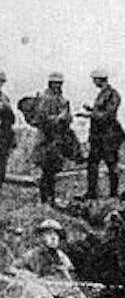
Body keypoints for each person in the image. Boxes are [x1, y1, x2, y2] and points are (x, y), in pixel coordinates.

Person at [31, 72, 81, 205]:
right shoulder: (44, 98)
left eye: (60, 84)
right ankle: (45, 199)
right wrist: (58, 118)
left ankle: (50, 198)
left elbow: (69, 117)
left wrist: (66, 117)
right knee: (46, 170)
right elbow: (41, 119)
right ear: (50, 84)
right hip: (46, 139)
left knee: (52, 171)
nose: (58, 86)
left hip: (57, 139)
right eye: (55, 83)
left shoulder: (62, 99)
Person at [77, 68, 125, 200]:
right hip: (98, 136)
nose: (94, 82)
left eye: (95, 80)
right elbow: (102, 110)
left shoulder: (113, 94)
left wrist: (88, 114)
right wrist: (91, 109)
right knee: (92, 164)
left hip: (109, 136)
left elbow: (108, 115)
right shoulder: (103, 94)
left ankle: (113, 194)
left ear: (100, 80)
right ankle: (91, 193)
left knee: (111, 165)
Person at [0, 70, 16, 191]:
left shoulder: (5, 98)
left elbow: (10, 120)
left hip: (3, 136)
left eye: (1, 81)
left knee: (1, 166)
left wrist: (12, 137)